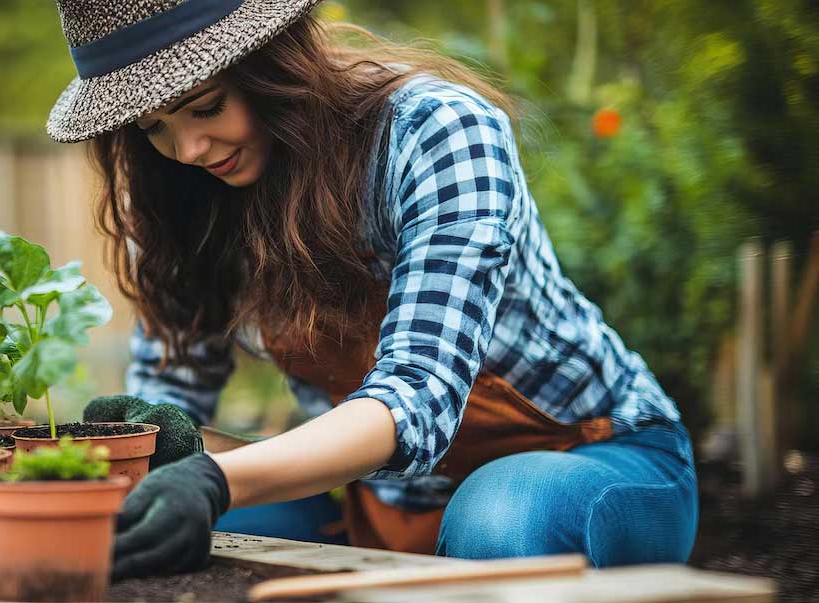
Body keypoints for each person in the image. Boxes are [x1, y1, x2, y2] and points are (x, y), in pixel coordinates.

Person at [48, 0, 699, 580]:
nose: (187, 147)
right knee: (160, 527)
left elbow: (418, 397)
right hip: (381, 499)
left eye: (207, 105)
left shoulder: (437, 133)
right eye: (152, 127)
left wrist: (216, 478)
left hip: (594, 458)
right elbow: (172, 411)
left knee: (501, 515)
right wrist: (146, 449)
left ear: (272, 65)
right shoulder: (185, 197)